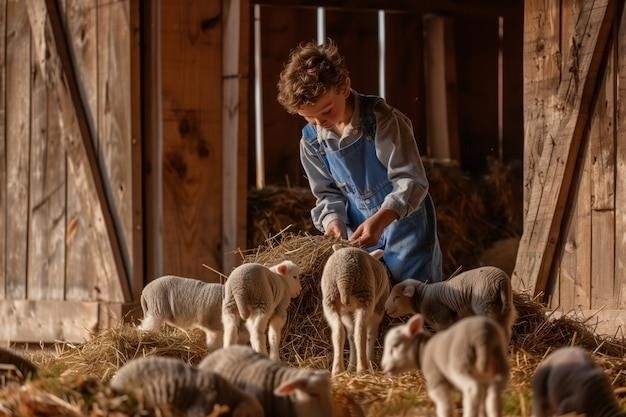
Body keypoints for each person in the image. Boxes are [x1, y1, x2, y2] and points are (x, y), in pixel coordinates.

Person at [276, 39, 442, 284]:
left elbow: (411, 180)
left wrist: (383, 219)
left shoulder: (382, 122)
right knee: (369, 298)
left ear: (344, 87)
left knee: (414, 296)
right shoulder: (312, 142)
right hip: (359, 232)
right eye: (309, 118)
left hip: (404, 228)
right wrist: (333, 220)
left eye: (326, 110)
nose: (320, 122)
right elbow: (327, 194)